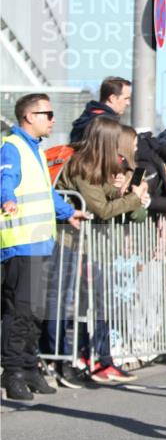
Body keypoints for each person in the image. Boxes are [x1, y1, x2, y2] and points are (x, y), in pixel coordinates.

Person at [1, 94, 88, 401]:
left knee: (35, 312)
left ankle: (29, 367)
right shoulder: (11, 146)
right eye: (47, 113)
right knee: (20, 313)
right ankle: (12, 374)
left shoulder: (33, 148)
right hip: (20, 243)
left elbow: (44, 193)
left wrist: (68, 212)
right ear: (28, 117)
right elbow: (4, 179)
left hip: (39, 242)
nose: (52, 119)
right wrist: (5, 198)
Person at [58, 116, 149, 383]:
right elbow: (102, 209)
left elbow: (123, 206)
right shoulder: (82, 167)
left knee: (101, 304)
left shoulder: (98, 168)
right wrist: (130, 198)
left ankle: (100, 357)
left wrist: (126, 195)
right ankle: (93, 357)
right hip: (76, 245)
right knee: (92, 305)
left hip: (94, 247)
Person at [69, 77, 132, 144]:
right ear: (112, 98)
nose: (128, 103)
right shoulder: (106, 124)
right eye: (126, 98)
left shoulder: (87, 117)